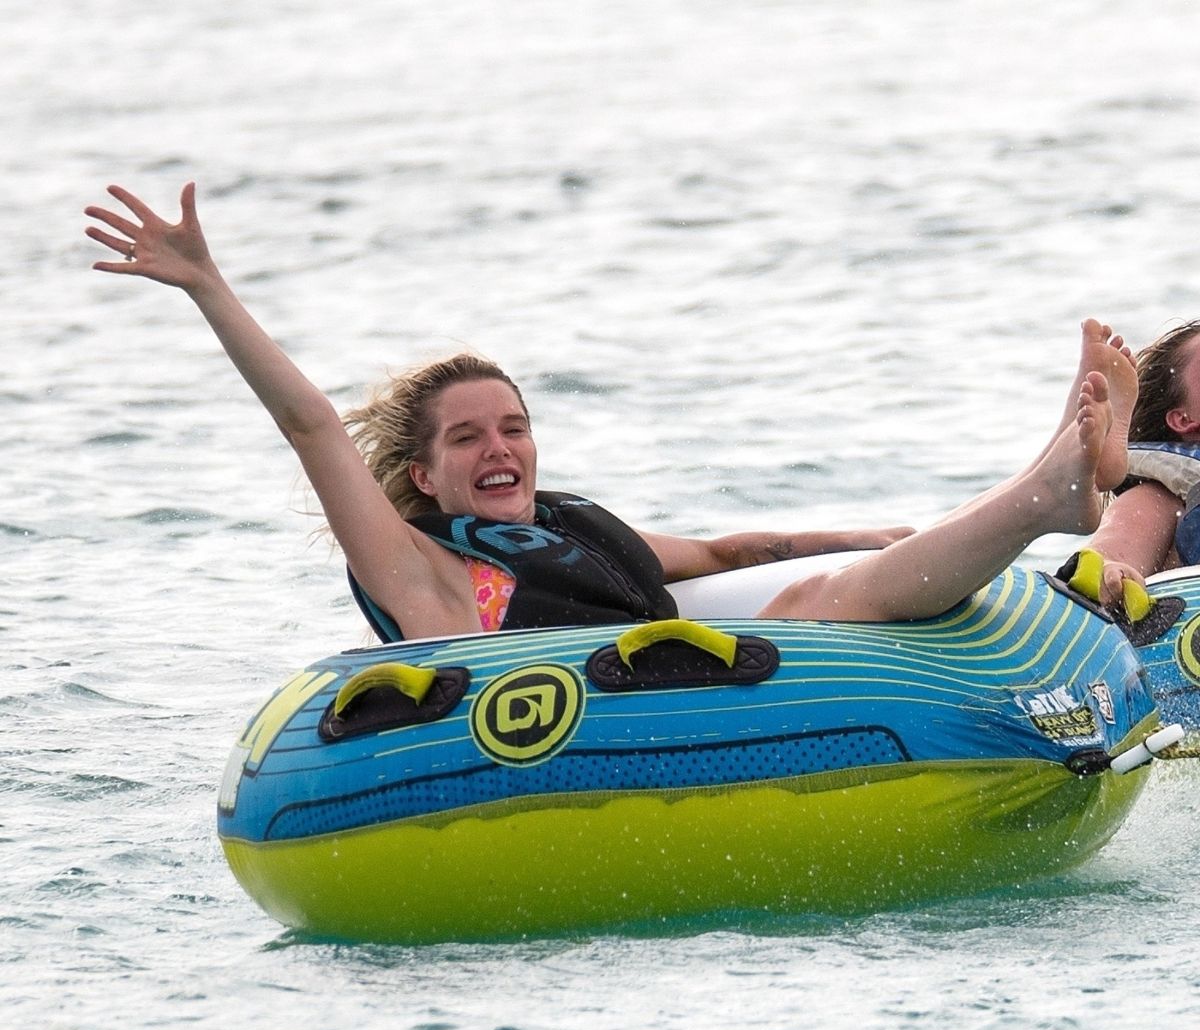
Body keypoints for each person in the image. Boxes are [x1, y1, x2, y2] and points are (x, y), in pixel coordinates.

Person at [85, 183, 1136, 642]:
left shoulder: (570, 529)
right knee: (838, 601)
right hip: (547, 721)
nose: (501, 447)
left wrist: (886, 530)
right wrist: (209, 288)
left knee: (826, 580)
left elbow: (731, 552)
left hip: (684, 673)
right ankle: (1052, 488)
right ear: (421, 477)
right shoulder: (420, 571)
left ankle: (1047, 476)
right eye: (468, 438)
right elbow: (313, 426)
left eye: (514, 426)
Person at [1064, 320, 1200, 608]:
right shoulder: (1165, 497)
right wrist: (1110, 566)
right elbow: (1114, 550)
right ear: (1183, 419)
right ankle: (1068, 461)